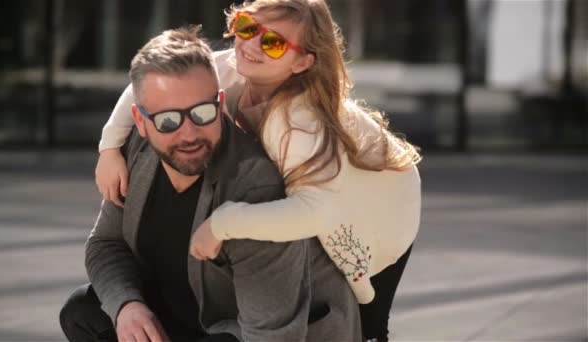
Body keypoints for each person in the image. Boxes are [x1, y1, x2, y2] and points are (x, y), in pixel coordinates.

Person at [96, 0, 421, 341]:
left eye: (274, 43)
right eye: (248, 27)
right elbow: (144, 85)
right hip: (329, 191)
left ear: (302, 62)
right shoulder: (231, 66)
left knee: (364, 320)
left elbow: (315, 212)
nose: (251, 45)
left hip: (384, 206)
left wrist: (223, 224)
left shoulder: (298, 122)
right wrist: (109, 148)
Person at [59, 26, 362, 342]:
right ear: (140, 122)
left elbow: (271, 334)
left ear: (219, 104)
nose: (188, 134)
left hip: (259, 331)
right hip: (188, 318)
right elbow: (106, 244)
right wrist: (127, 306)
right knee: (85, 311)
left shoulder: (255, 190)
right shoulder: (136, 151)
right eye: (167, 121)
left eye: (202, 113)